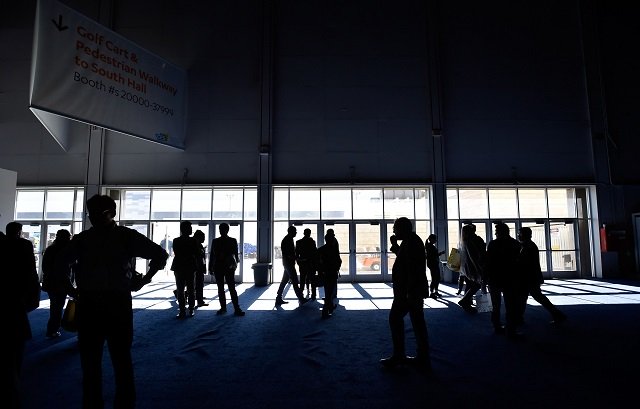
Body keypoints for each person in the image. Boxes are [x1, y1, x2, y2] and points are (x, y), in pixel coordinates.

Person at [63, 194, 168, 409]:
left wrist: (71, 290)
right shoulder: (125, 237)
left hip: (93, 303)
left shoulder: (84, 240)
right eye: (91, 214)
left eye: (96, 213)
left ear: (111, 213)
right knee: (119, 360)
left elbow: (59, 266)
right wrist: (144, 281)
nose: (93, 218)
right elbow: (160, 255)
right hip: (115, 302)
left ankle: (96, 403)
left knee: (94, 361)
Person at [380, 217, 431, 370]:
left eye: (395, 228)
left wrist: (409, 292)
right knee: (417, 322)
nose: (394, 231)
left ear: (403, 228)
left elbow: (413, 269)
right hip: (410, 290)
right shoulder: (411, 241)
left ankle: (399, 355)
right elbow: (405, 260)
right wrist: (395, 246)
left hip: (408, 291)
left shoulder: (412, 242)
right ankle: (421, 356)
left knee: (395, 318)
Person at [2, 222, 41, 409]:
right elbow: (30, 270)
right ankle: (14, 383)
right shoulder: (24, 245)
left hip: (10, 296)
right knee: (16, 342)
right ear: (18, 232)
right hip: (15, 298)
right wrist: (34, 292)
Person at [518, 227, 567, 325]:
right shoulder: (529, 246)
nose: (518, 235)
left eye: (520, 234)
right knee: (532, 297)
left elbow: (526, 263)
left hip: (529, 277)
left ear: (525, 235)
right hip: (531, 277)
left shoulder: (528, 247)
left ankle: (519, 318)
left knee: (527, 297)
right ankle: (557, 314)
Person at [485, 223, 524, 336]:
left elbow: (488, 263)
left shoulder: (493, 244)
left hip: (495, 278)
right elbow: (518, 263)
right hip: (510, 278)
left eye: (496, 231)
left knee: (495, 305)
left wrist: (485, 278)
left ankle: (497, 326)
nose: (495, 233)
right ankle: (511, 329)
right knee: (511, 305)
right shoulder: (515, 244)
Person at [41, 229, 76, 338]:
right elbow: (64, 272)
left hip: (52, 283)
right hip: (61, 285)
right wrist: (70, 288)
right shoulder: (66, 251)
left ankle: (53, 328)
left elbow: (45, 268)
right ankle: (52, 330)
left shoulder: (50, 249)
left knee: (55, 307)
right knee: (57, 307)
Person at [209, 223, 245, 316]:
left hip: (220, 266)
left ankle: (224, 308)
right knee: (230, 288)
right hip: (227, 267)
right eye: (221, 229)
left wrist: (210, 266)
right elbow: (235, 255)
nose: (221, 231)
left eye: (222, 229)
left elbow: (212, 255)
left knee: (222, 288)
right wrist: (235, 264)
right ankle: (236, 308)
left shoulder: (215, 241)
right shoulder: (232, 240)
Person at [171, 221, 200, 318]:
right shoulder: (194, 241)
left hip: (179, 266)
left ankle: (183, 310)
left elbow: (177, 253)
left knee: (180, 290)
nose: (191, 229)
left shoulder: (176, 240)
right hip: (190, 266)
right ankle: (190, 309)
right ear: (185, 229)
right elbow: (197, 253)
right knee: (191, 289)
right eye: (190, 227)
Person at [275, 225, 309, 306]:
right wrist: (299, 259)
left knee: (284, 281)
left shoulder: (288, 239)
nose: (296, 233)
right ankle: (301, 298)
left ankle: (278, 298)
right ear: (291, 232)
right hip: (289, 264)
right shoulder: (287, 240)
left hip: (287, 264)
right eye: (295, 231)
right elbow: (289, 254)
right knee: (295, 281)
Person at [457, 224, 486, 314]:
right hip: (472, 267)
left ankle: (467, 303)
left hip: (465, 268)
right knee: (477, 285)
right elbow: (474, 256)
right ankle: (465, 301)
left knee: (470, 285)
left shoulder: (462, 241)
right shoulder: (472, 241)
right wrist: (479, 268)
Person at [317, 230, 342, 319]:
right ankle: (325, 311)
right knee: (329, 292)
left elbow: (317, 262)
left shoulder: (321, 249)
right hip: (332, 273)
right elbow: (339, 261)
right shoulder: (333, 250)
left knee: (327, 291)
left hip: (324, 273)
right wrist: (337, 268)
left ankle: (330, 306)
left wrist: (320, 271)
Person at [295, 228, 318, 300]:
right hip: (311, 264)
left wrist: (299, 262)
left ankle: (301, 293)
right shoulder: (312, 242)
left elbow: (297, 254)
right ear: (309, 233)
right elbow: (315, 253)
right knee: (312, 280)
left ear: (304, 233)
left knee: (302, 279)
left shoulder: (298, 242)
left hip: (302, 264)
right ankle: (313, 294)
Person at [425, 234, 445, 299]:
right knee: (435, 278)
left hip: (433, 264)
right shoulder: (430, 246)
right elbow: (433, 255)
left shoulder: (430, 246)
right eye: (435, 239)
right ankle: (432, 292)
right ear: (431, 239)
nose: (436, 240)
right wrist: (441, 253)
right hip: (433, 264)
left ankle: (435, 291)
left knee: (437, 278)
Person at [192, 229, 209, 308]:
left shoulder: (200, 245)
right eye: (203, 237)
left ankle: (199, 298)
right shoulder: (195, 245)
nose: (204, 239)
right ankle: (199, 300)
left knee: (198, 284)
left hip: (199, 267)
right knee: (198, 284)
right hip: (196, 268)